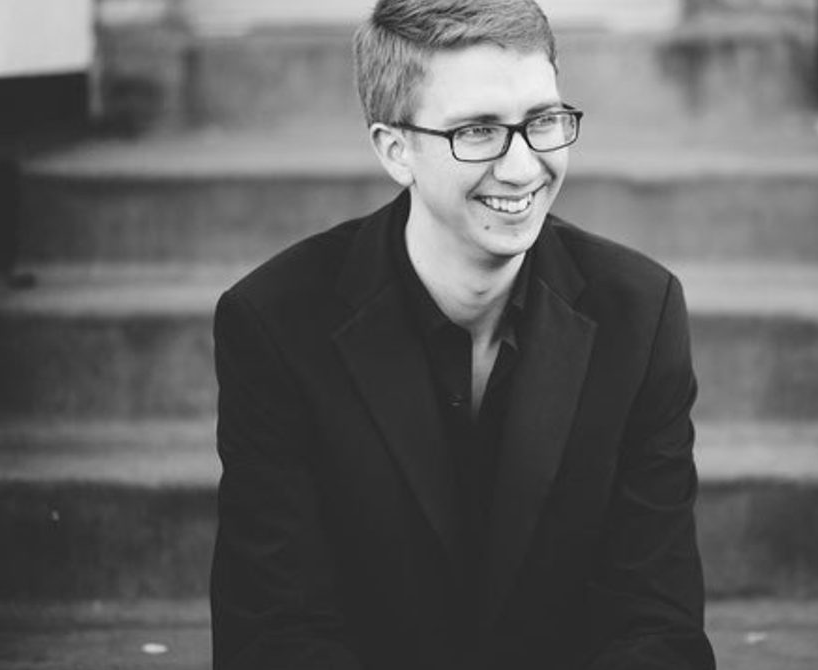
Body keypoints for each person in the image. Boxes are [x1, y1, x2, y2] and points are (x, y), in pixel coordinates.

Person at [209, 0, 714, 668]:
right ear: (395, 150)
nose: (522, 167)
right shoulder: (274, 322)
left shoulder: (640, 313)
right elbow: (275, 630)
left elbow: (657, 620)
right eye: (477, 132)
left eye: (542, 122)